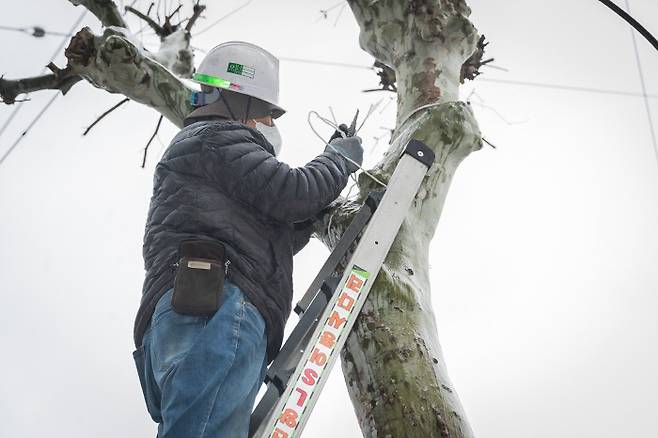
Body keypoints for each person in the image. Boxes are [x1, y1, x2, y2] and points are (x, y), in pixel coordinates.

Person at [131, 41, 363, 438]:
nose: (268, 123)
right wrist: (338, 160)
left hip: (192, 309)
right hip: (216, 309)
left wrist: (311, 215)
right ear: (241, 104)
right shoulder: (217, 138)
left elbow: (277, 231)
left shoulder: (202, 156)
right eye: (266, 114)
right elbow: (292, 191)